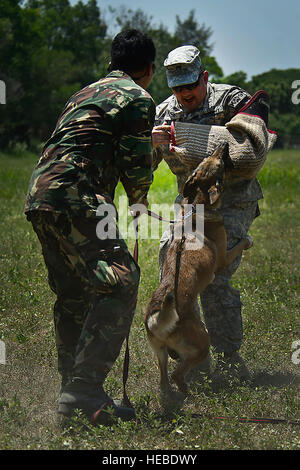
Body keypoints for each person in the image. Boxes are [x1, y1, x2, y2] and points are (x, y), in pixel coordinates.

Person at [24, 29, 156, 423]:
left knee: (74, 296)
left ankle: (75, 397)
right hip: (78, 196)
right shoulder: (137, 97)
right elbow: (136, 162)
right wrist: (139, 200)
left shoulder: (84, 92)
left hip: (41, 196)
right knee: (121, 280)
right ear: (149, 69)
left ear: (111, 63)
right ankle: (83, 390)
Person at [152, 45, 272, 383]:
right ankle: (192, 352)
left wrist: (191, 139)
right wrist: (152, 145)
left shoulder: (232, 101)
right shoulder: (162, 113)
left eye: (192, 85)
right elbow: (142, 164)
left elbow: (250, 154)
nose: (185, 94)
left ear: (204, 77)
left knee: (216, 276)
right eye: (178, 88)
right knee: (172, 266)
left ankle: (230, 359)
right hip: (192, 202)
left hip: (234, 202)